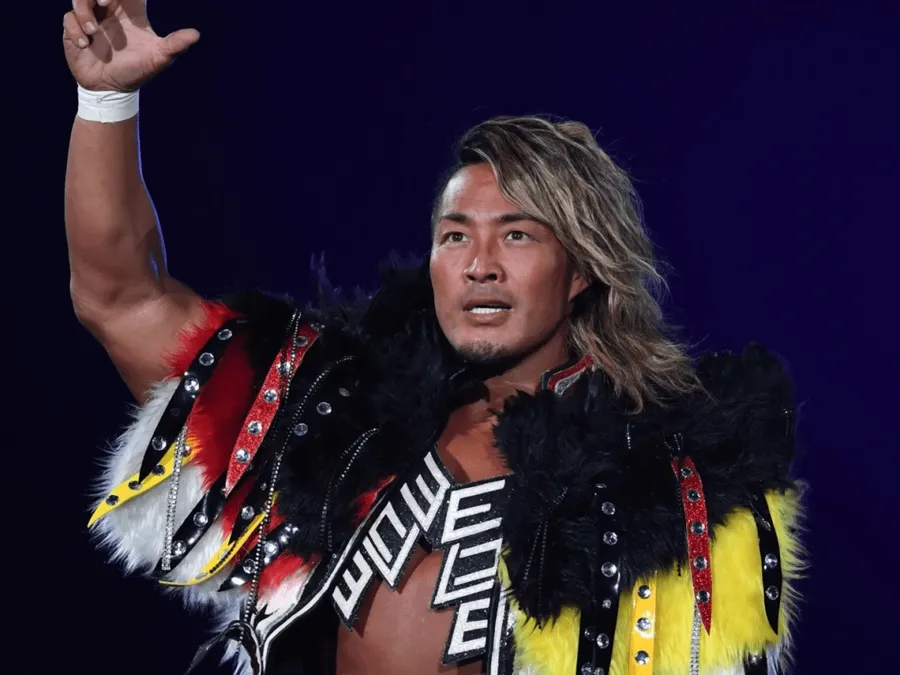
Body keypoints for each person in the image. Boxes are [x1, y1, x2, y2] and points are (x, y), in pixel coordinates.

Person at [63, 2, 807, 675]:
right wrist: (105, 100)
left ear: (581, 269)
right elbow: (119, 297)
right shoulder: (336, 412)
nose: (480, 265)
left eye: (517, 234)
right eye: (456, 236)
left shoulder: (666, 490)